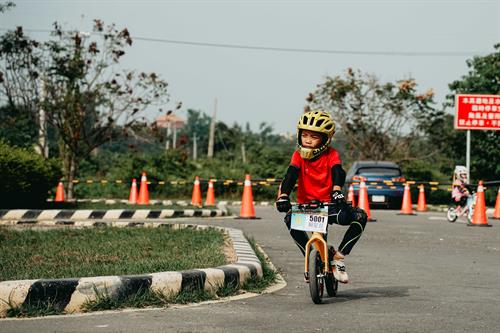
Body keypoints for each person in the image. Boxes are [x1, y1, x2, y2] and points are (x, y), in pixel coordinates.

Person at [275, 110, 367, 284]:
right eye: (305, 135)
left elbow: (337, 171)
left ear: (325, 139)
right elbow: (290, 175)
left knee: (360, 217)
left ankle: (338, 258)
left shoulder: (331, 154)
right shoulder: (298, 156)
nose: (308, 140)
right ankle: (311, 258)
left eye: (314, 137)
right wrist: (284, 196)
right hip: (307, 207)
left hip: (330, 205)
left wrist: (337, 190)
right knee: (289, 219)